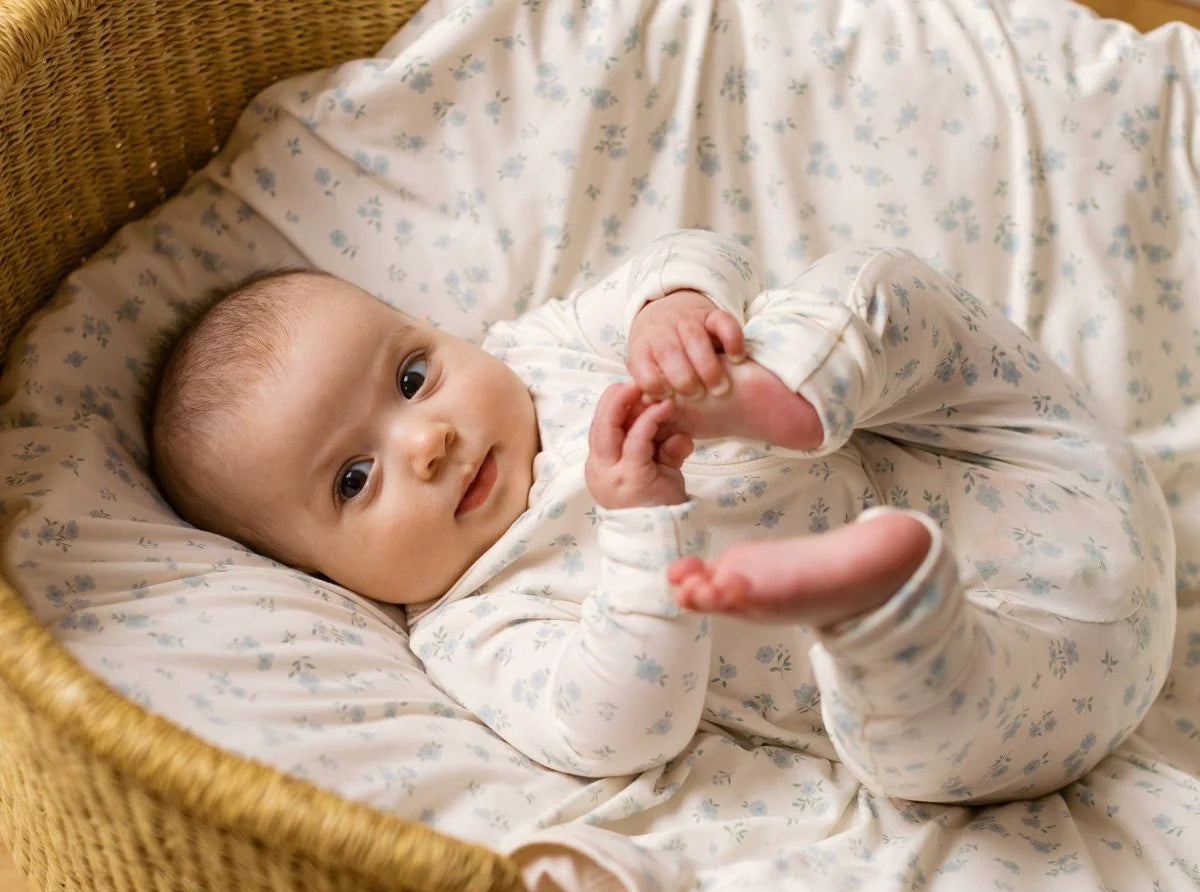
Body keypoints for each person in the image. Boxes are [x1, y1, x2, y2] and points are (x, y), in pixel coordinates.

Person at [148, 231, 1175, 803]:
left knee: (877, 284)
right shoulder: (472, 622)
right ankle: (878, 602)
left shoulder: (544, 351)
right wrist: (642, 523)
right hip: (1030, 698)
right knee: (906, 748)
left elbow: (686, 251)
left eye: (413, 375)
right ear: (329, 581)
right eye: (353, 480)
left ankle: (795, 388)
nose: (428, 441)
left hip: (1037, 469)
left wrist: (672, 311)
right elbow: (614, 730)